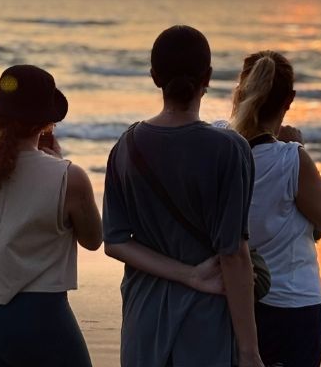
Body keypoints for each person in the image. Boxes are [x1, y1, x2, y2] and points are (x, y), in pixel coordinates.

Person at [103, 25, 265, 367]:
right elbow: (233, 254)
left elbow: (115, 242)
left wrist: (183, 273)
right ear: (207, 77)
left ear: (154, 76)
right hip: (204, 320)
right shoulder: (230, 149)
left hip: (142, 320)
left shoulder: (126, 146)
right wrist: (249, 351)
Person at [0, 64, 102, 367]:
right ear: (47, 123)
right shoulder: (68, 177)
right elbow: (93, 239)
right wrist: (54, 161)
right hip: (35, 316)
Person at [229, 51, 321, 367]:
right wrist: (300, 149)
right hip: (294, 305)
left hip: (236, 300)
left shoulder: (224, 148)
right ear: (289, 99)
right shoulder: (290, 158)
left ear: (241, 91)